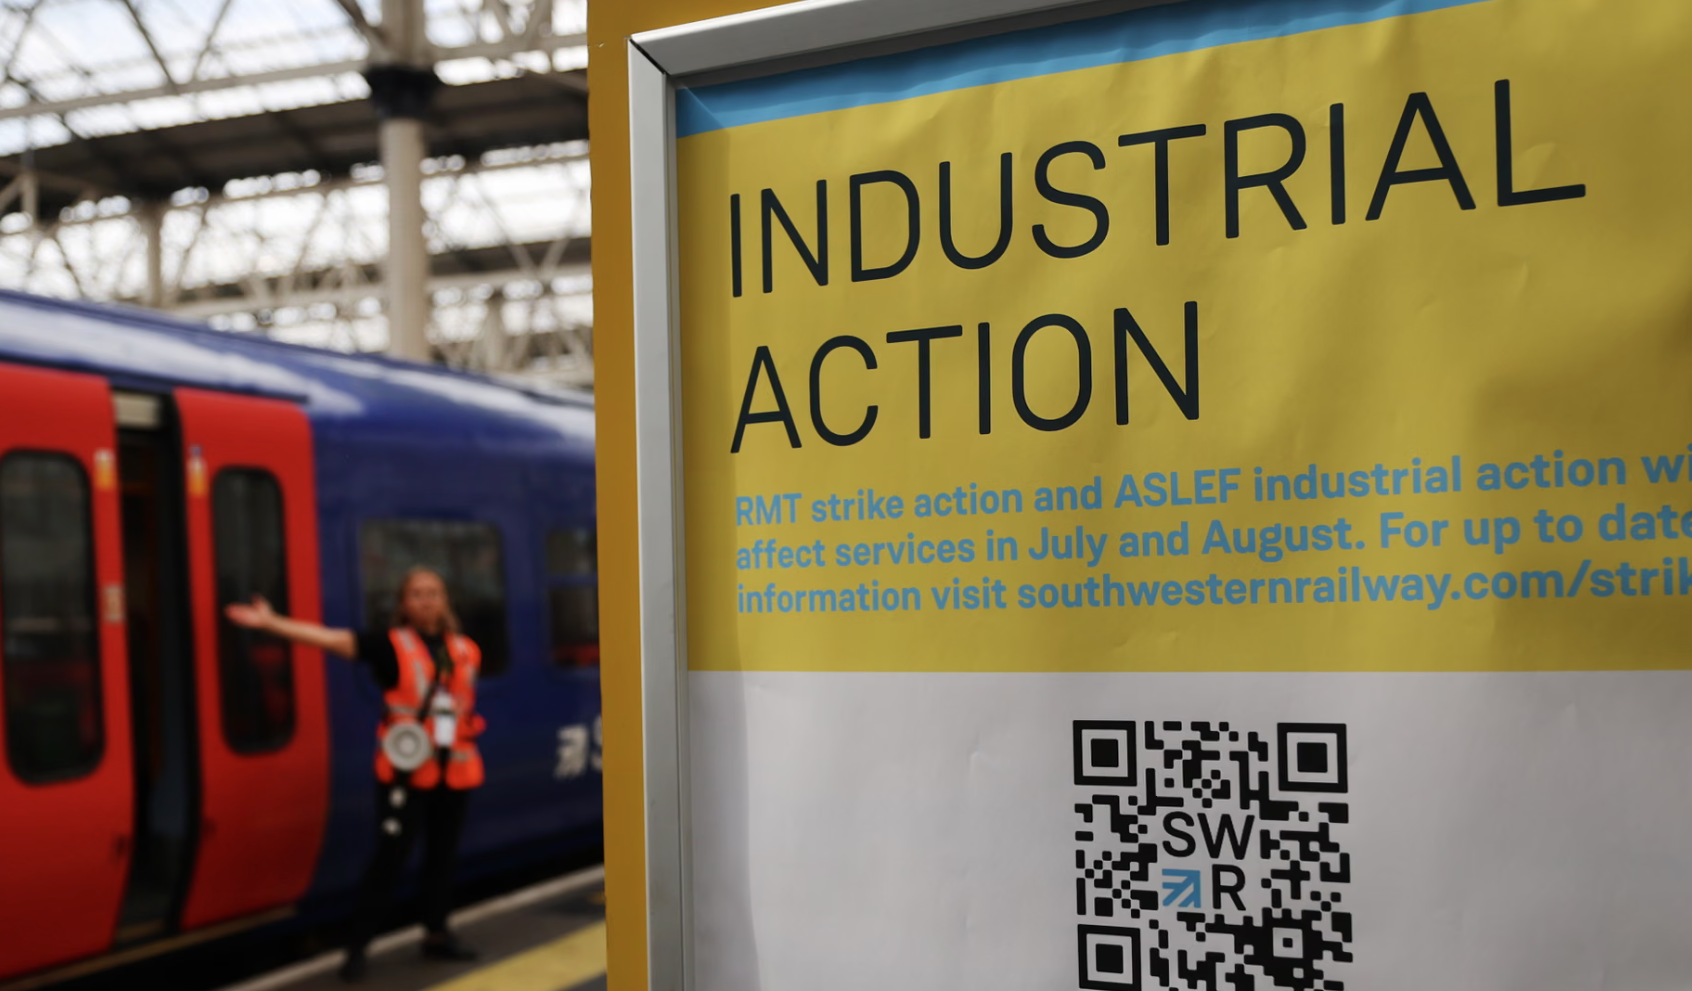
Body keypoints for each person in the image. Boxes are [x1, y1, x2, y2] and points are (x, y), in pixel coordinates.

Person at [225, 566, 484, 983]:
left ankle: (437, 933)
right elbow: (329, 640)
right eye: (416, 593)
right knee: (389, 860)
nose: (426, 600)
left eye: (433, 592)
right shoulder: (388, 645)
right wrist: (272, 623)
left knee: (443, 857)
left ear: (445, 600)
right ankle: (358, 946)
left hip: (456, 772)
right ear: (403, 603)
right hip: (406, 773)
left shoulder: (465, 649)